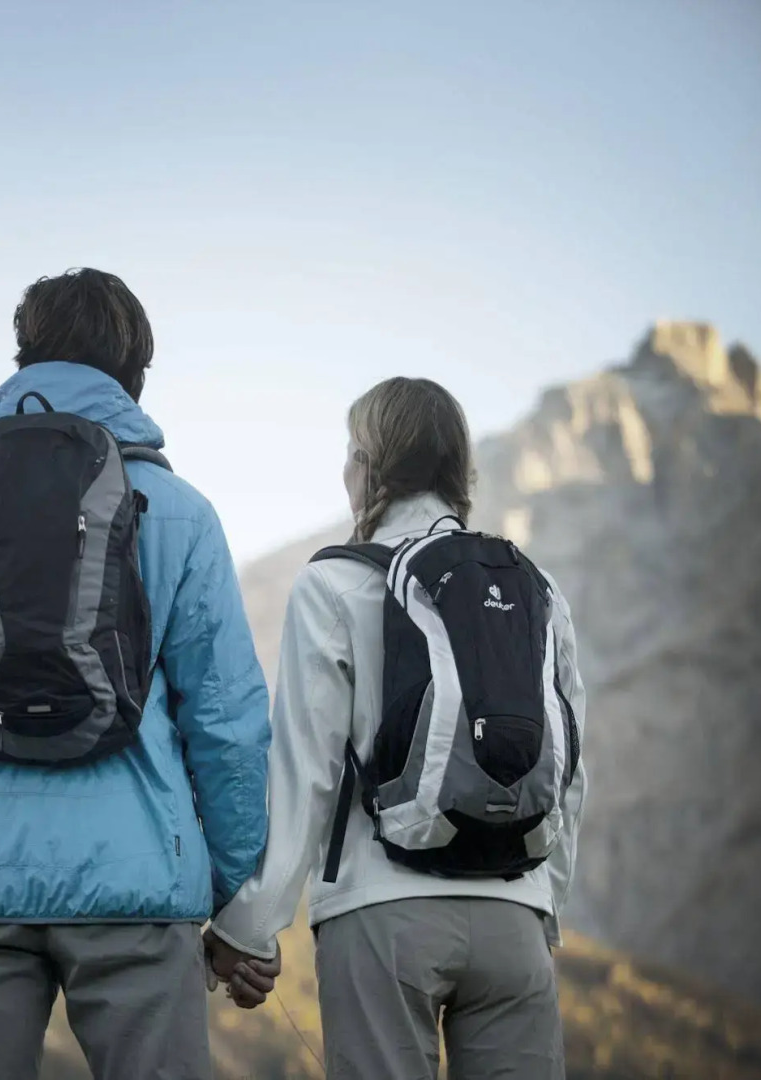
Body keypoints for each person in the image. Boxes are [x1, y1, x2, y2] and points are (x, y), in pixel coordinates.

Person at [0, 268, 271, 1080]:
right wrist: (218, 887)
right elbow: (225, 722)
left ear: (21, 354)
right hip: (139, 886)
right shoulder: (179, 511)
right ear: (135, 373)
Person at [209, 377, 588, 1079]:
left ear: (367, 462)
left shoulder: (333, 583)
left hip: (380, 915)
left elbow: (305, 774)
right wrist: (543, 907)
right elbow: (569, 769)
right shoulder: (533, 587)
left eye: (349, 456)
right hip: (513, 920)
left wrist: (248, 930)